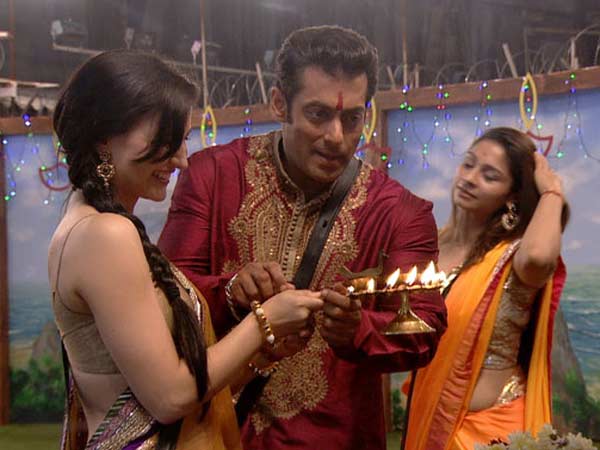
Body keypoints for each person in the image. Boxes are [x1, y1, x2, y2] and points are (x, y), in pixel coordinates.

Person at [159, 25, 447, 449]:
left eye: (352, 119)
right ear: (280, 103)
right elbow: (165, 295)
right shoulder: (213, 175)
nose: (336, 137)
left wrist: (359, 329)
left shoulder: (400, 212)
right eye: (317, 115)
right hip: (216, 435)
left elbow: (424, 328)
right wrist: (231, 292)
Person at [48, 49, 323, 450]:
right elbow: (170, 398)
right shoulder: (105, 234)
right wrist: (263, 321)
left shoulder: (93, 225)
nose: (181, 160)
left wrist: (261, 354)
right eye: (165, 141)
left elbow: (175, 393)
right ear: (104, 135)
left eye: (182, 141)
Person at [404, 127, 569, 450]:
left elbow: (539, 257)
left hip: (492, 432)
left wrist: (552, 192)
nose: (470, 178)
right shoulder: (430, 246)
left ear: (511, 196)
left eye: (489, 176)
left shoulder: (512, 257)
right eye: (468, 164)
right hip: (429, 416)